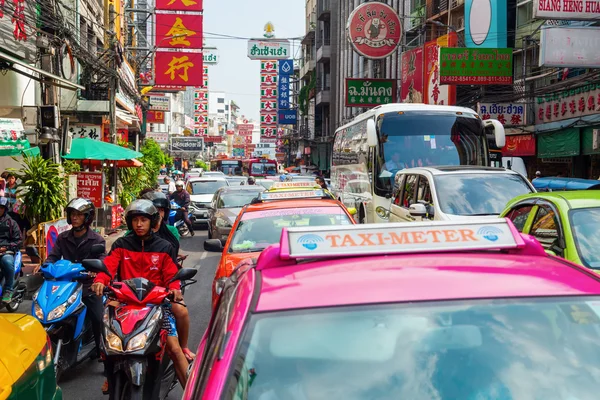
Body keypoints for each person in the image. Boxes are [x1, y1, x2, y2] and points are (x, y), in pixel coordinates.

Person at [91, 200, 190, 389]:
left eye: (143, 220)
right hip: (124, 302)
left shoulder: (164, 247)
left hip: (157, 305)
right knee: (106, 337)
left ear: (152, 222)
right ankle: (111, 374)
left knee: (175, 349)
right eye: (135, 220)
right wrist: (99, 281)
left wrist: (175, 288)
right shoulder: (121, 244)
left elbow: (172, 275)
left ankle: (192, 391)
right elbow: (108, 267)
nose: (139, 224)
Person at [40, 198, 106, 360]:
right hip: (66, 284)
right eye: (72, 214)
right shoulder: (63, 238)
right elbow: (53, 256)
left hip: (87, 286)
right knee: (45, 309)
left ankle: (103, 353)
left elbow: (103, 260)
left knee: (98, 318)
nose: (75, 218)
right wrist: (46, 265)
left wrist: (95, 272)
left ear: (87, 217)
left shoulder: (97, 240)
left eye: (79, 215)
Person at [139, 190, 195, 361]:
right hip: (135, 289)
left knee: (180, 311)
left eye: (161, 210)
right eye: (154, 210)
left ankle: (184, 347)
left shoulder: (170, 233)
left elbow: (169, 265)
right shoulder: (129, 238)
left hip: (164, 287)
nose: (158, 214)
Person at [0, 197, 21, 303]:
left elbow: (18, 241)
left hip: (6, 252)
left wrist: (5, 248)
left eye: (1, 208)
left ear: (5, 209)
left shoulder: (12, 223)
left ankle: (8, 290)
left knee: (7, 262)